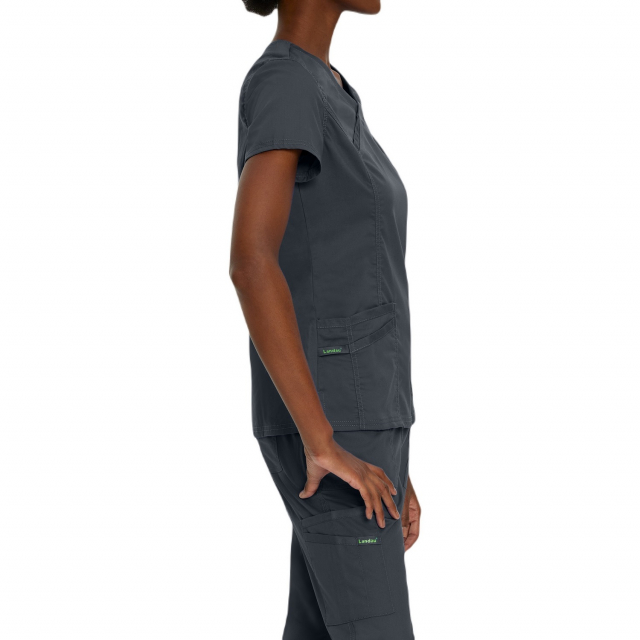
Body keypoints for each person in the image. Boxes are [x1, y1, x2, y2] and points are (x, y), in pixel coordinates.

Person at [230, 1, 421, 638]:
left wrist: (391, 461)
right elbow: (251, 260)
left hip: (359, 422)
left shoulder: (326, 87)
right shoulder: (287, 82)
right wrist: (322, 442)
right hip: (332, 427)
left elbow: (351, 274)